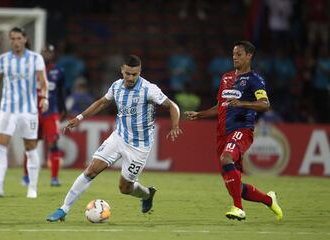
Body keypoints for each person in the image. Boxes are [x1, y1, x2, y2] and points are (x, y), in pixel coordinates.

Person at [46, 55, 182, 222]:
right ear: (122, 70)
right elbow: (102, 102)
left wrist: (175, 126)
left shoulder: (149, 89)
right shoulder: (116, 86)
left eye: (135, 74)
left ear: (140, 72)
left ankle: (147, 194)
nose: (131, 78)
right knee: (91, 170)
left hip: (139, 146)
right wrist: (79, 118)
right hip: (118, 137)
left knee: (124, 188)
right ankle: (63, 209)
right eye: (127, 73)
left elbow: (172, 106)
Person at [185, 41, 283, 221]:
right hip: (222, 133)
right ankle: (269, 200)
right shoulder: (226, 78)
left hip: (241, 129)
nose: (235, 58)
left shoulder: (255, 80)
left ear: (249, 56)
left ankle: (238, 208)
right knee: (235, 185)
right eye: (233, 54)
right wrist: (200, 114)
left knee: (226, 158)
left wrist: (243, 103)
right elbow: (220, 106)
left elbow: (265, 104)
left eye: (239, 54)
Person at [0, 27, 49, 198]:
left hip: (29, 110)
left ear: (24, 39)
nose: (15, 42)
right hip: (7, 109)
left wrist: (44, 98)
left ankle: (32, 188)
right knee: (1, 145)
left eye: (18, 38)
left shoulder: (35, 58)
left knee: (30, 148)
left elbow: (43, 81)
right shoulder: (3, 59)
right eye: (12, 39)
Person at [22, 44, 67, 187]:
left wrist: (63, 108)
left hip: (51, 112)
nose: (46, 55)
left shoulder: (58, 71)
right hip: (33, 112)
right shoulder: (31, 70)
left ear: (53, 55)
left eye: (49, 52)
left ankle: (54, 178)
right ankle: (26, 177)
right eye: (44, 52)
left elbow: (61, 92)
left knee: (53, 143)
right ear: (40, 53)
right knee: (31, 144)